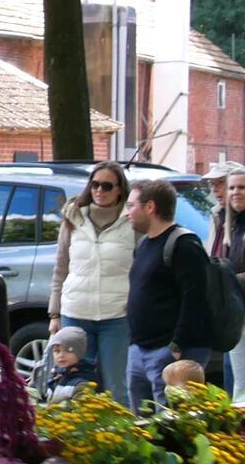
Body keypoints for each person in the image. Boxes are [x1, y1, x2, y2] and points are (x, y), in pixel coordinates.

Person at [45, 162, 138, 408]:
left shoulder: (131, 222)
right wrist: (55, 313)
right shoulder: (74, 217)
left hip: (116, 316)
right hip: (75, 313)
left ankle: (120, 442)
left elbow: (142, 271)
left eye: (107, 186)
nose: (99, 191)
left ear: (120, 189)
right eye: (95, 184)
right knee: (76, 385)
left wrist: (135, 308)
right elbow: (60, 267)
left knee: (116, 388)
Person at [125, 178, 214, 409]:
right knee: (142, 426)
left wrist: (177, 345)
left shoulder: (184, 245)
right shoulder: (144, 244)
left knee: (172, 425)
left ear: (150, 207)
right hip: (140, 349)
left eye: (131, 205)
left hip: (169, 352)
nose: (127, 213)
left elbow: (195, 299)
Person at [216, 169, 245, 401]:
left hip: (239, 307)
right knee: (235, 381)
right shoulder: (228, 224)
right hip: (234, 312)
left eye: (242, 187)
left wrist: (227, 280)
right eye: (233, 187)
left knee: (241, 386)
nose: (236, 192)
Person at [37, 325, 99, 402]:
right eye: (57, 351)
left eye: (68, 350)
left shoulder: (83, 383)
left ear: (79, 353)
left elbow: (82, 411)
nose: (61, 355)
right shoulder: (56, 375)